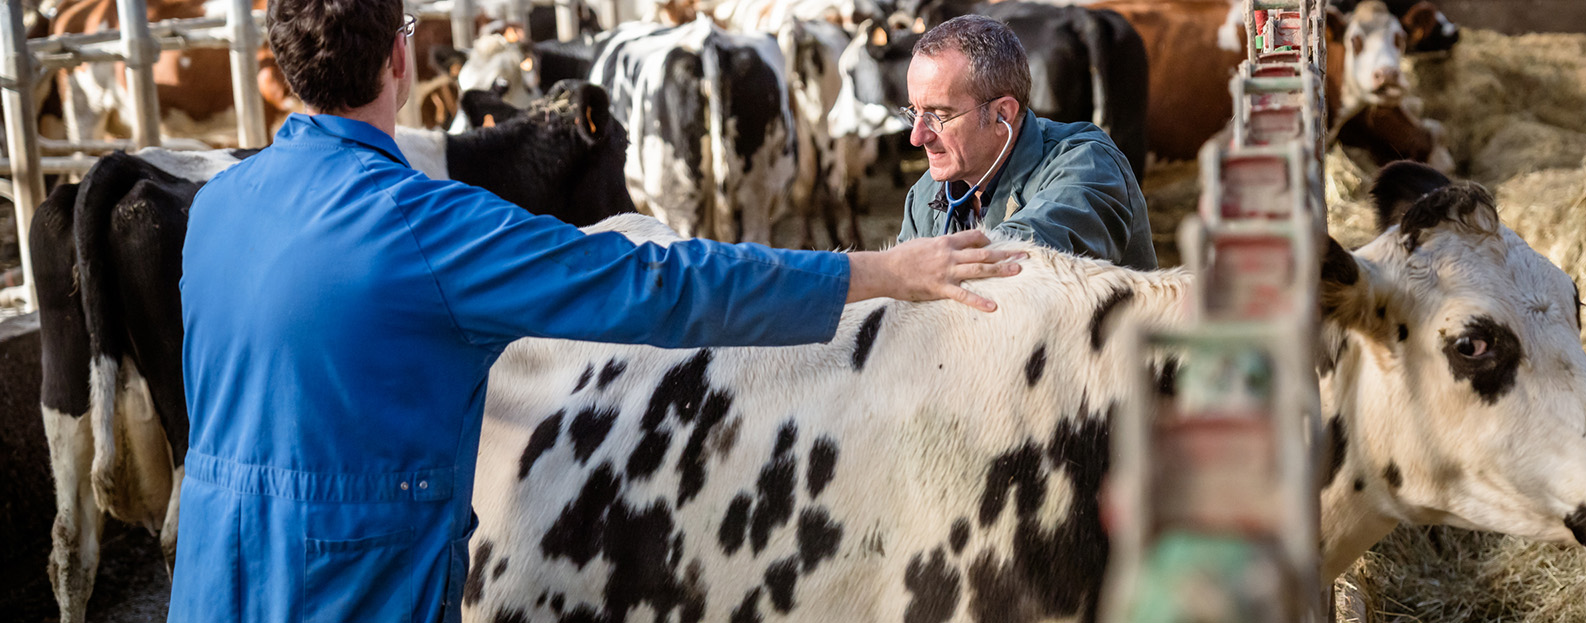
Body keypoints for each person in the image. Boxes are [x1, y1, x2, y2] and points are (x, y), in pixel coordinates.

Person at [168, 1, 1021, 621]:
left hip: (211, 579)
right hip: (353, 590)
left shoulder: (216, 208)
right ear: (403, 57)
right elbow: (657, 284)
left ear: (277, 72)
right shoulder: (425, 230)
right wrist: (874, 271)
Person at [897, 15, 1157, 269]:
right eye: (914, 112)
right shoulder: (924, 197)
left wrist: (900, 268)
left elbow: (1027, 259)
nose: (917, 137)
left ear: (1002, 115)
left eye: (938, 116)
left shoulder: (1090, 166)